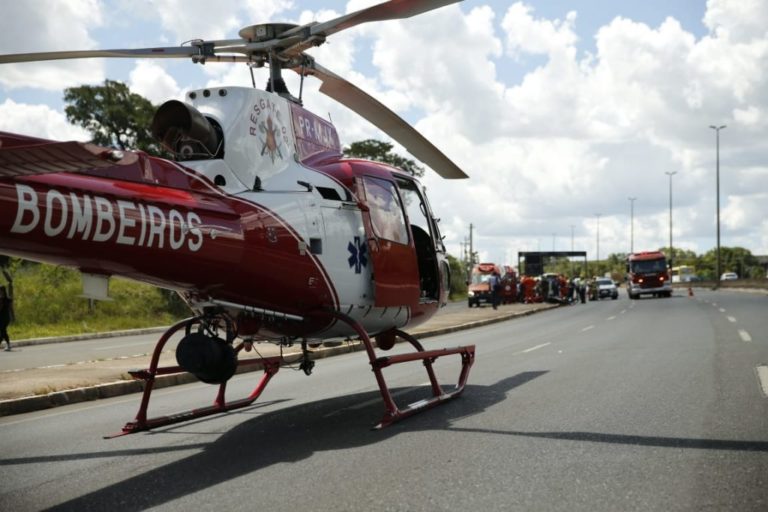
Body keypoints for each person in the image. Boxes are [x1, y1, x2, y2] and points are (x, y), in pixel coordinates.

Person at [0, 269, 14, 351]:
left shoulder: (5, 300)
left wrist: (12, 316)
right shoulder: (4, 299)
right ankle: (8, 345)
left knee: (3, 330)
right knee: (2, 331)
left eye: (0, 291)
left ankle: (8, 345)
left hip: (4, 318)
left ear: (3, 291)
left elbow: (10, 308)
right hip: (3, 318)